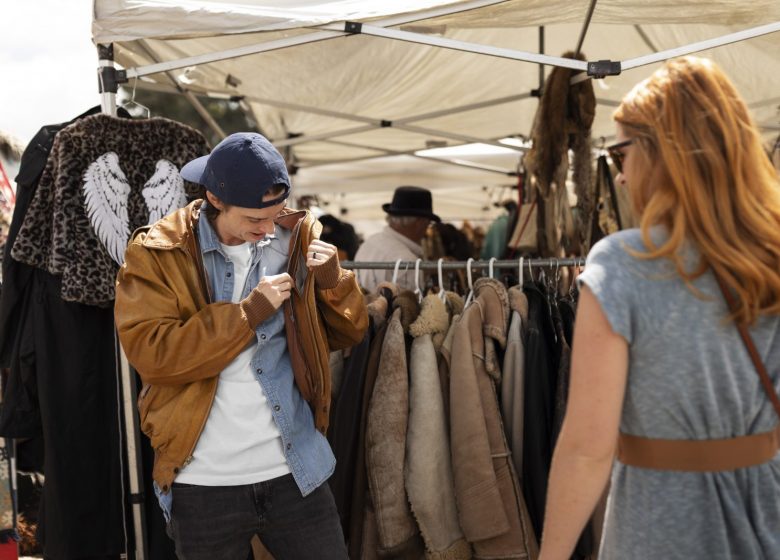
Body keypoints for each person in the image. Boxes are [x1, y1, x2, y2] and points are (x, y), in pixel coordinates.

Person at [538, 56, 780, 560]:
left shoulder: (624, 263)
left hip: (662, 527)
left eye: (621, 152)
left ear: (662, 152)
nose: (620, 177)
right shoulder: (771, 256)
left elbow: (587, 448)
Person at [114, 132, 368, 560]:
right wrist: (247, 314)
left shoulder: (296, 238)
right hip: (204, 483)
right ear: (214, 198)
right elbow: (154, 356)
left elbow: (348, 334)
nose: (268, 229)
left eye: (275, 215)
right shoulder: (156, 252)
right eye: (254, 219)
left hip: (297, 470)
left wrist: (333, 284)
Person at [353, 185, 440, 292]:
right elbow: (410, 306)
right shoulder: (407, 260)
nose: (427, 228)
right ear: (420, 223)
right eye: (428, 223)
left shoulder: (369, 242)